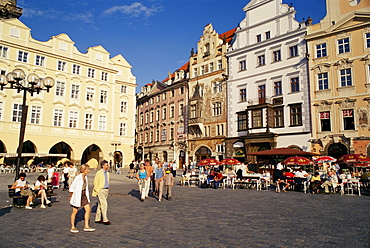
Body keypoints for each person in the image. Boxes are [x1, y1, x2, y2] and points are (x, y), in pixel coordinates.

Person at [69, 164, 95, 233]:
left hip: (83, 195)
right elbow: (72, 187)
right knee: (75, 211)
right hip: (77, 195)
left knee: (88, 209)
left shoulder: (85, 177)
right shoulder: (78, 177)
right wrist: (71, 196)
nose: (89, 171)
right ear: (83, 170)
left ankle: (86, 226)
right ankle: (72, 226)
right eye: (87, 169)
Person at [93, 160, 111, 225]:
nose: (108, 166)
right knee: (104, 204)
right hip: (100, 190)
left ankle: (97, 218)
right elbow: (95, 182)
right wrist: (97, 190)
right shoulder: (99, 173)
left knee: (100, 204)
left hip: (106, 190)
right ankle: (105, 219)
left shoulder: (107, 173)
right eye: (107, 165)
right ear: (103, 166)